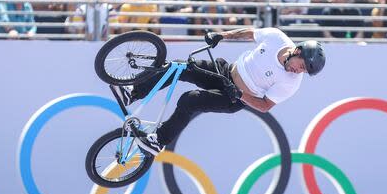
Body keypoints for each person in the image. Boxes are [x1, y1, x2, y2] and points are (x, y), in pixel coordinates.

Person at [134, 28, 326, 155]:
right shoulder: (277, 38)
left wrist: (239, 94)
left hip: (233, 98)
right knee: (179, 67)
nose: (298, 72)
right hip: (225, 71)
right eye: (301, 66)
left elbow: (265, 105)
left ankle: (159, 140)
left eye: (304, 71)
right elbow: (250, 33)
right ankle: (134, 92)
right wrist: (222, 35)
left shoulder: (291, 83)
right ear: (297, 51)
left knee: (189, 100)